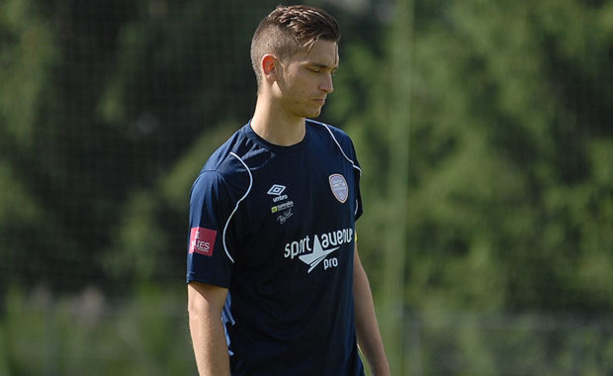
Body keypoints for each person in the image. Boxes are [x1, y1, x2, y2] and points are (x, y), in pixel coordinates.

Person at [186, 5, 390, 376]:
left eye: (331, 71)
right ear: (270, 67)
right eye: (315, 70)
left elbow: (349, 262)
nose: (328, 85)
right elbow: (203, 308)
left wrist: (381, 366)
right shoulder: (226, 180)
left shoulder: (340, 149)